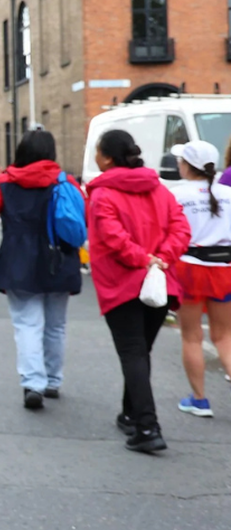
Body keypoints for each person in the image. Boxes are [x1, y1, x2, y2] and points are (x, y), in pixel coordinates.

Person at [86, 129, 190, 453]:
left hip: (123, 284)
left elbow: (112, 237)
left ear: (106, 156)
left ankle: (147, 426)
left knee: (133, 352)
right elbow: (181, 227)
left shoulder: (103, 193)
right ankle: (131, 413)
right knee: (141, 352)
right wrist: (161, 260)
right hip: (160, 283)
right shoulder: (159, 189)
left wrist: (143, 260)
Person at [0, 130, 82, 408]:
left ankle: (33, 383)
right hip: (60, 259)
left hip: (18, 260)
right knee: (56, 325)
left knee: (27, 324)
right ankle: (54, 380)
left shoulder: (6, 182)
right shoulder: (66, 181)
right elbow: (82, 215)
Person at [168, 140, 231, 417]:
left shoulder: (175, 193)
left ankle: (199, 399)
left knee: (191, 336)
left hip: (189, 267)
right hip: (224, 267)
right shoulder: (228, 192)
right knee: (225, 336)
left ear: (186, 165)